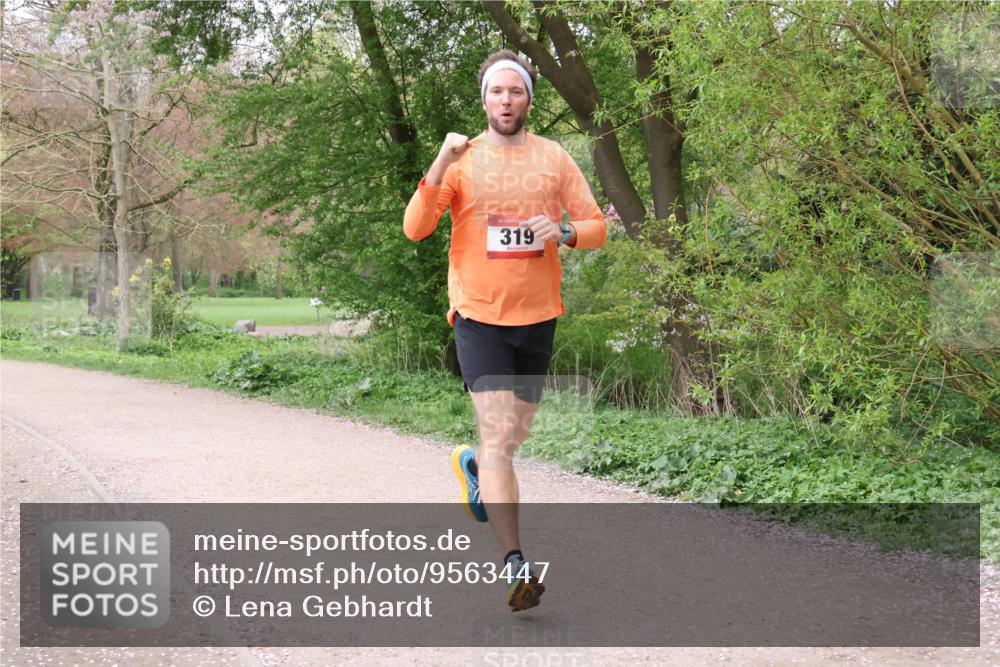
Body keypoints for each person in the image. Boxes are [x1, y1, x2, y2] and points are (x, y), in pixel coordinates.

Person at [403, 49, 606, 611]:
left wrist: (563, 231)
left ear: (527, 100)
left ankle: (472, 466)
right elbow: (416, 228)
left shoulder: (554, 157)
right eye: (497, 92)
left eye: (515, 91)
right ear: (485, 99)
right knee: (499, 440)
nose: (506, 100)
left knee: (508, 443)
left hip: (538, 316)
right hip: (479, 315)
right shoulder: (462, 159)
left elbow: (595, 229)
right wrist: (441, 161)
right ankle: (515, 564)